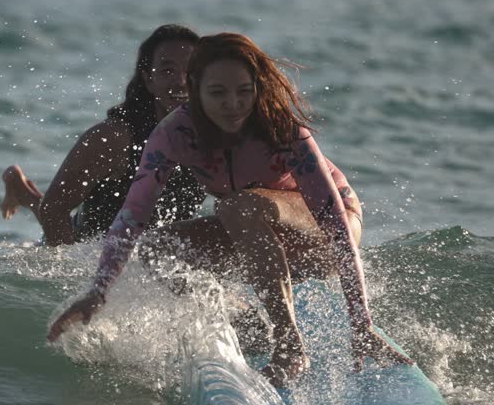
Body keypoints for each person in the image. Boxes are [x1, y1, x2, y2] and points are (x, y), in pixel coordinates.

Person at [47, 33, 414, 387]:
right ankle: (240, 330)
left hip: (322, 233)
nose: (233, 104)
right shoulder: (174, 134)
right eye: (217, 93)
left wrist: (361, 325)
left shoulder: (284, 131)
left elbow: (336, 224)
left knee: (238, 207)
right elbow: (132, 216)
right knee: (159, 248)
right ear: (195, 90)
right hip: (259, 232)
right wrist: (98, 291)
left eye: (243, 91)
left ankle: (290, 348)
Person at [0, 24, 206, 246]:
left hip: (148, 258)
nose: (180, 81)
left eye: (190, 72)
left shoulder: (215, 138)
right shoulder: (115, 138)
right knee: (59, 213)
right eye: (167, 71)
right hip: (87, 251)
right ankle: (26, 194)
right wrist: (71, 272)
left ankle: (25, 193)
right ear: (148, 80)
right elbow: (54, 209)